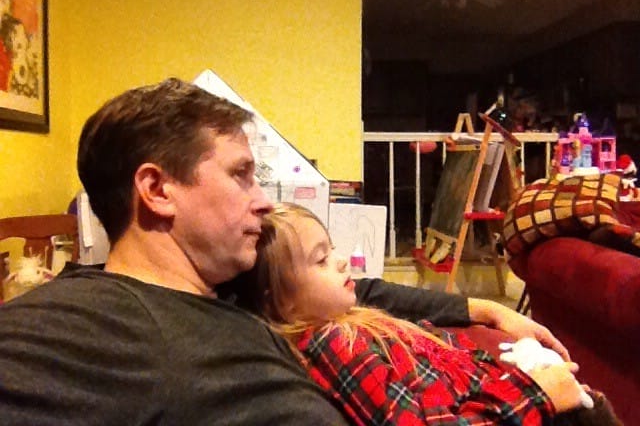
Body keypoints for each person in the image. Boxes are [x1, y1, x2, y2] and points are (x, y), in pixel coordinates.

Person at [0, 78, 568, 425]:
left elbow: (347, 288)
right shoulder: (103, 327)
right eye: (241, 175)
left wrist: (481, 309)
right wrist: (531, 396)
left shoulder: (222, 286)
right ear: (158, 190)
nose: (263, 201)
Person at [232, 202, 621, 426]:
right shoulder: (333, 343)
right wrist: (535, 392)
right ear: (281, 301)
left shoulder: (351, 318)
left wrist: (522, 370)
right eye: (321, 259)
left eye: (331, 248)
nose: (341, 261)